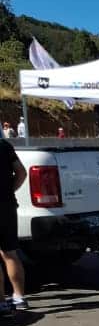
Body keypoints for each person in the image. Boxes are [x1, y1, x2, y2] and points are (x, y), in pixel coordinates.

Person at [0, 135, 29, 315]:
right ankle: (19, 297)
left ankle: (1, 302)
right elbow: (22, 173)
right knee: (10, 252)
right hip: (7, 206)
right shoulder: (4, 145)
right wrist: (9, 191)